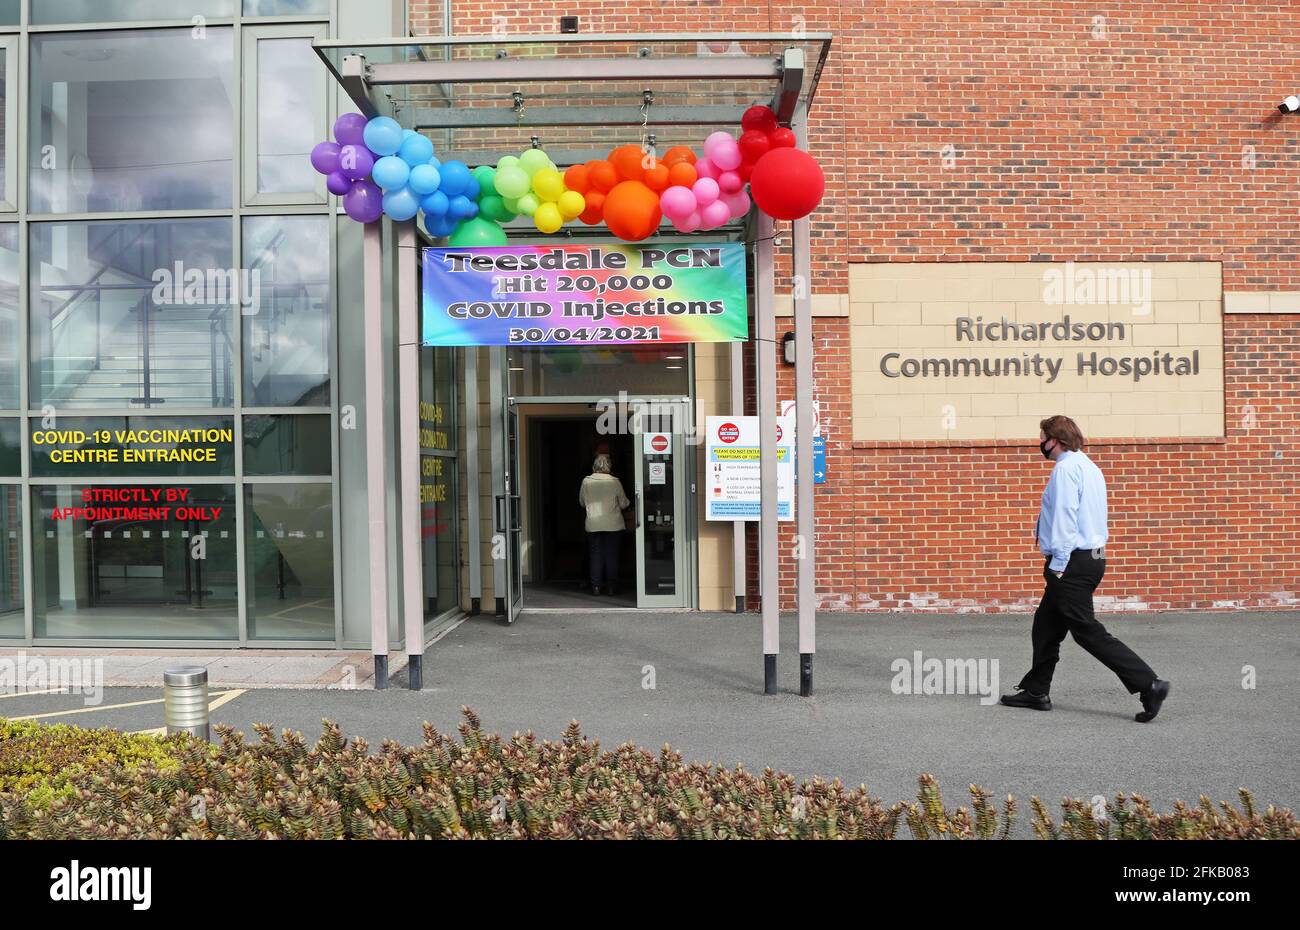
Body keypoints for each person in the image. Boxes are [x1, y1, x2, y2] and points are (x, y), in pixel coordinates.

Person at [1001, 415, 1172, 722]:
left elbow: (1066, 516)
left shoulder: (1065, 469)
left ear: (1056, 440)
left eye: (1043, 438)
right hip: (1090, 559)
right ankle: (1037, 691)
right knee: (1045, 627)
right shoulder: (1089, 466)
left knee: (1087, 631)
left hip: (1072, 563)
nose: (1040, 443)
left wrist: (1059, 565)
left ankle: (1149, 684)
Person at [579, 453, 629, 596]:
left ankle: (596, 587)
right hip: (613, 525)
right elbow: (624, 503)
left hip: (593, 524)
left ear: (594, 466)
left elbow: (582, 502)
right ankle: (611, 587)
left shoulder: (586, 481)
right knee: (611, 556)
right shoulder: (615, 481)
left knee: (595, 556)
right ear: (609, 466)